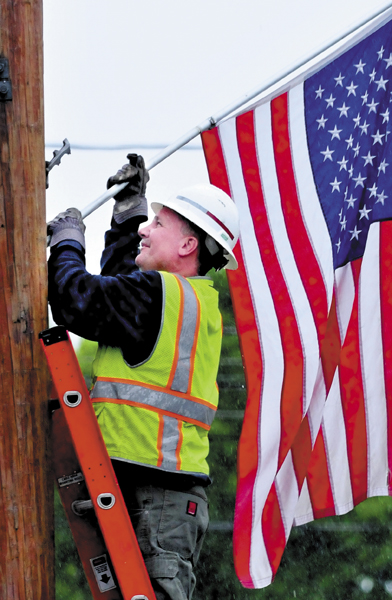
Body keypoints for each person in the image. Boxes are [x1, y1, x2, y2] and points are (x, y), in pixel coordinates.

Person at [47, 155, 240, 600]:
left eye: (157, 222)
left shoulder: (159, 296)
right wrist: (127, 211)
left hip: (158, 495)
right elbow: (122, 284)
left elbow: (78, 301)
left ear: (188, 245)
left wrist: (66, 244)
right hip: (154, 489)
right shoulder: (179, 299)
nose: (144, 229)